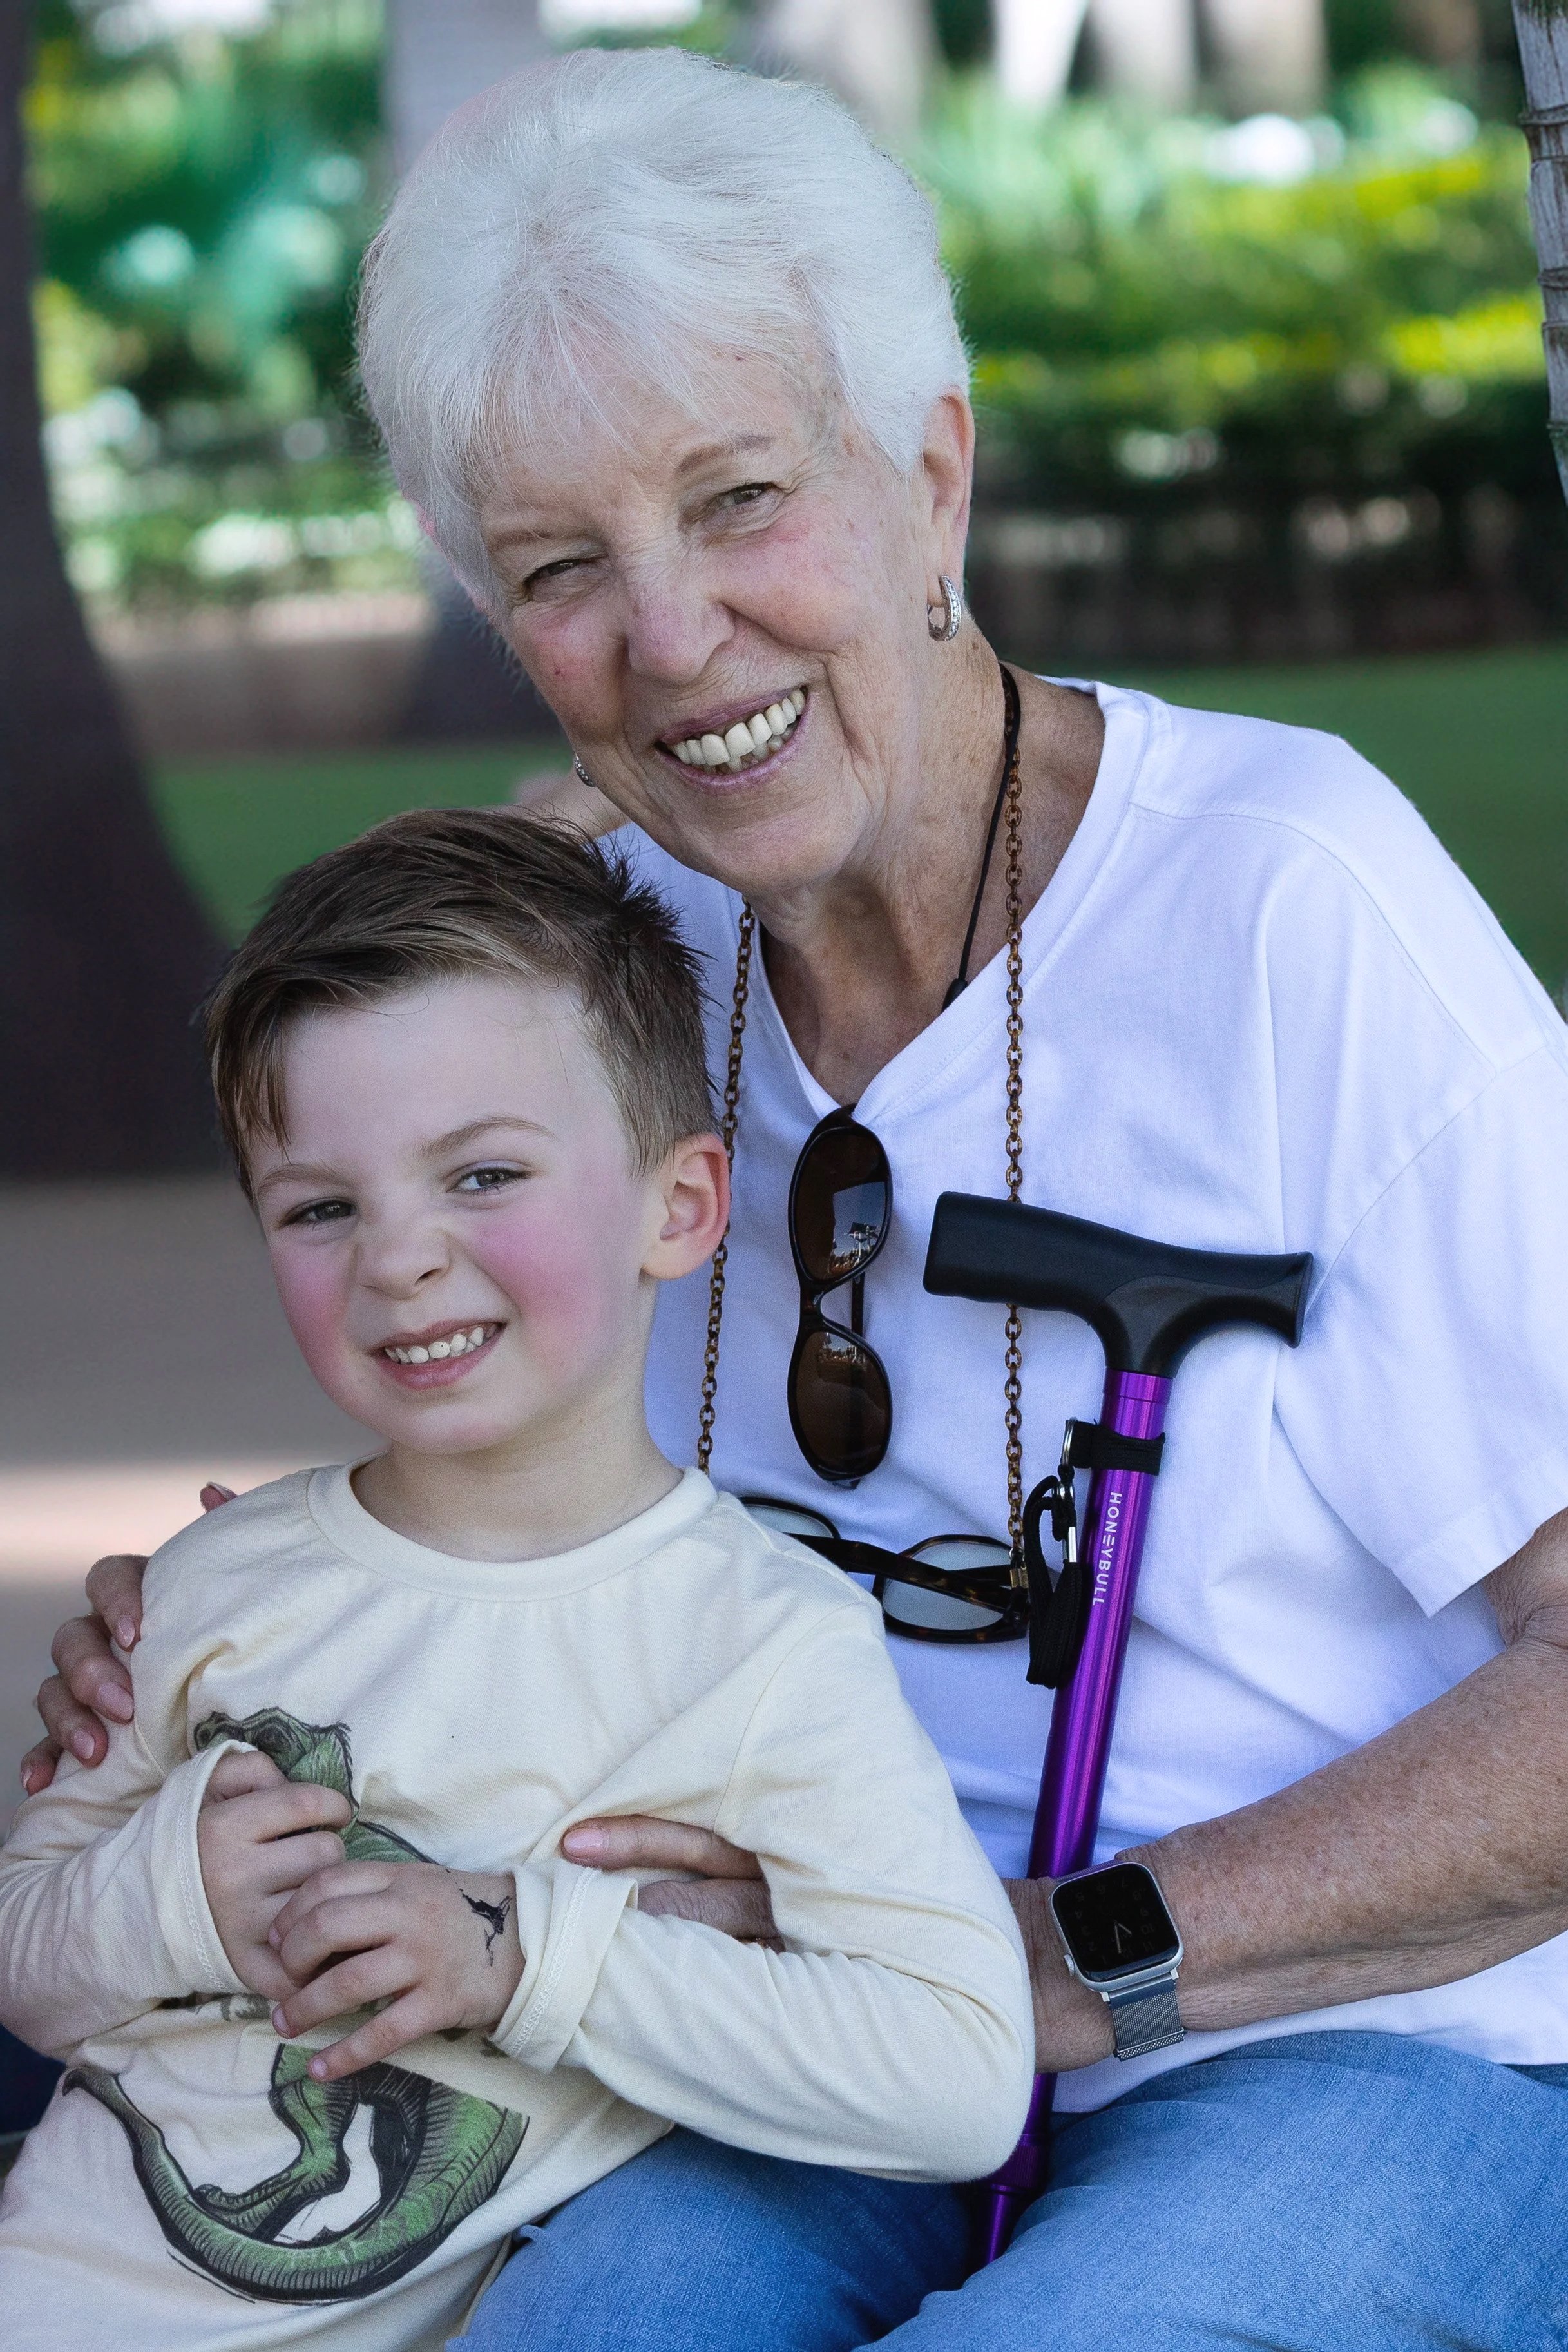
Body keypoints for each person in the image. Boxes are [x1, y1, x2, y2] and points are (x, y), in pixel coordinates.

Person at [24, 45, 1568, 2352]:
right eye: (561, 569)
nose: (669, 638)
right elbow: (449, 1364)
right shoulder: (599, 960)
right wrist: (240, 1637)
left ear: (929, 472)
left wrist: (1047, 1962)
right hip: (756, 2026)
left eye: (740, 498)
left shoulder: (1288, 907)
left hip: (1350, 2036)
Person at [0, 811, 1031, 2348]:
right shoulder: (211, 1584)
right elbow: (27, 1958)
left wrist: (524, 1954)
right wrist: (169, 1899)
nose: (398, 1256)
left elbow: (956, 2073)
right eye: (321, 1205)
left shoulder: (761, 1646)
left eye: (482, 1174)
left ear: (679, 1207)